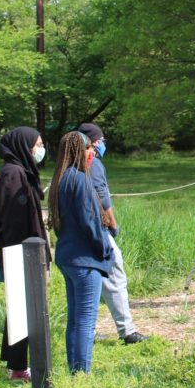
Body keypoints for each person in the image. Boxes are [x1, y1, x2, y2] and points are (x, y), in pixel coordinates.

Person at [49, 131, 114, 374]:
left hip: (68, 257)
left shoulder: (61, 178)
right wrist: (104, 248)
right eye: (88, 149)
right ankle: (82, 375)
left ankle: (74, 370)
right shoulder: (80, 179)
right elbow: (90, 222)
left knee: (75, 321)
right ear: (78, 150)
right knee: (86, 322)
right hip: (85, 260)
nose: (92, 153)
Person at [77, 122, 148, 345]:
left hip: (80, 230)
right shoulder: (94, 163)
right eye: (101, 140)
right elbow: (102, 195)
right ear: (94, 142)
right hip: (99, 229)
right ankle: (127, 331)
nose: (102, 144)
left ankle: (89, 328)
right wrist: (113, 223)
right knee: (115, 274)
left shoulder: (73, 164)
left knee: (89, 282)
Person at [0, 127, 50, 382]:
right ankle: (18, 367)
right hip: (19, 253)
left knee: (23, 311)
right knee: (20, 312)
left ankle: (17, 364)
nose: (39, 149)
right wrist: (25, 257)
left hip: (25, 252)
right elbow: (13, 220)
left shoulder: (21, 171)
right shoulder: (13, 174)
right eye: (36, 144)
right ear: (24, 147)